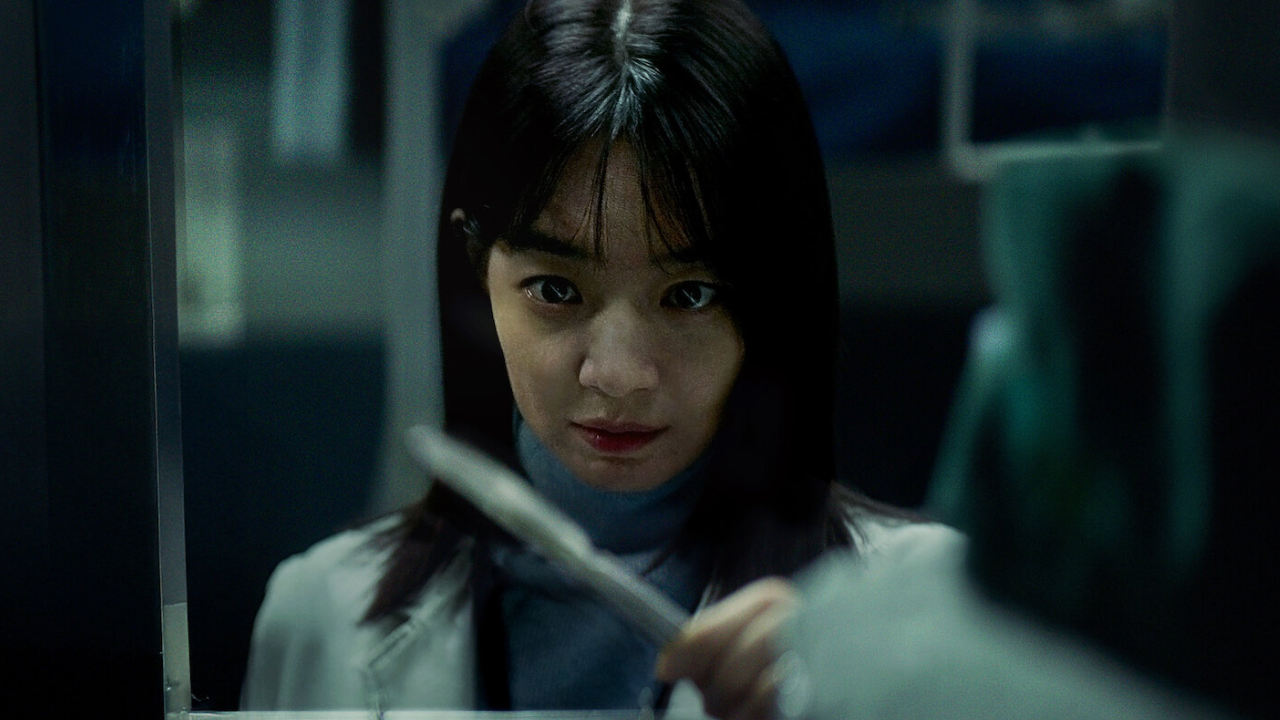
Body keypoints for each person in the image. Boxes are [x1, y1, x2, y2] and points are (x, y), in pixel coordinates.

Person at [241, 1, 957, 718]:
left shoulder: (934, 621)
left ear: (777, 295)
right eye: (556, 291)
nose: (616, 375)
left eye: (689, 295)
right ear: (476, 271)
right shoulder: (318, 615)